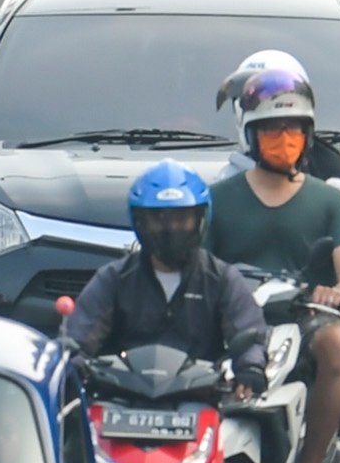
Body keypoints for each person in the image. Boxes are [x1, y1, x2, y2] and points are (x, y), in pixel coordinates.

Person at [202, 53, 340, 463]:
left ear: (307, 136)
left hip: (302, 314)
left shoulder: (329, 199)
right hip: (236, 316)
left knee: (339, 343)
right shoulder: (218, 198)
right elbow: (194, 264)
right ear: (250, 135)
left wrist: (338, 295)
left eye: (293, 130)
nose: (283, 141)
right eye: (271, 131)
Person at [60, 163, 270, 387]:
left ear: (200, 219)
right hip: (120, 398)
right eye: (159, 219)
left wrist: (250, 367)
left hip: (202, 396)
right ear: (140, 222)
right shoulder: (115, 278)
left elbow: (249, 336)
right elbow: (78, 338)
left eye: (181, 219)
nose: (171, 229)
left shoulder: (221, 278)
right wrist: (71, 366)